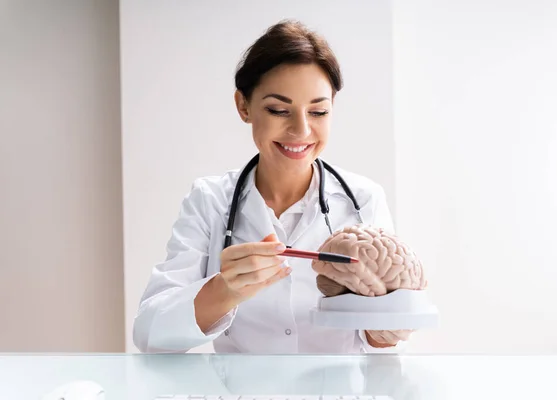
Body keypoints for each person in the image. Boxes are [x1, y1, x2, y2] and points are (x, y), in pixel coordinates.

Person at [133, 20, 412, 354]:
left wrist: (386, 329)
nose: (301, 129)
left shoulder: (364, 200)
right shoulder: (209, 200)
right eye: (279, 110)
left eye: (319, 111)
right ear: (244, 106)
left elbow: (387, 345)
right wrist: (226, 290)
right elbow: (150, 334)